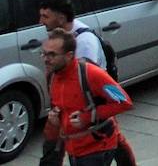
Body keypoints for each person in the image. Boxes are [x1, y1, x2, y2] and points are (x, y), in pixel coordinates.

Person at [42, 29, 133, 166]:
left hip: (96, 150)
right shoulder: (53, 75)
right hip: (74, 150)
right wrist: (55, 119)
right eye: (43, 53)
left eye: (52, 54)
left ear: (69, 55)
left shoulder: (92, 74)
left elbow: (124, 102)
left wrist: (89, 116)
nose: (46, 59)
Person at [38, 0, 105, 70]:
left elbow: (83, 75)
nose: (41, 21)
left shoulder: (84, 41)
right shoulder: (60, 35)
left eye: (45, 17)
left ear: (61, 19)